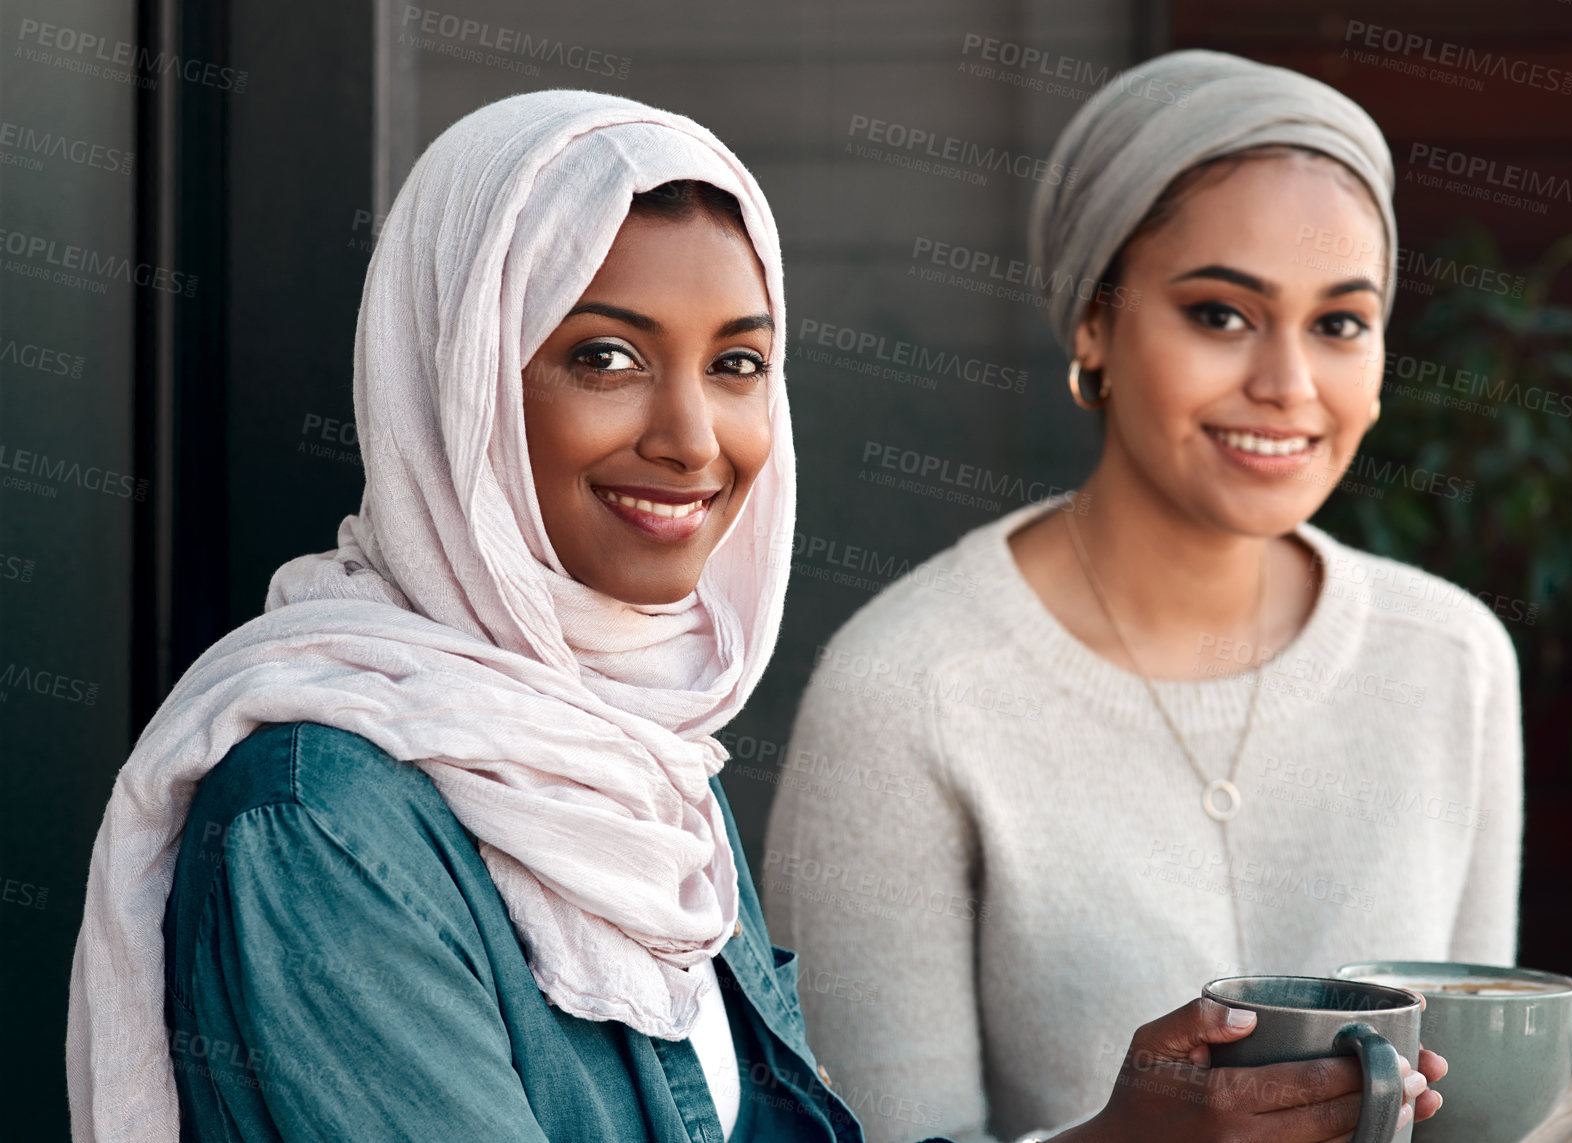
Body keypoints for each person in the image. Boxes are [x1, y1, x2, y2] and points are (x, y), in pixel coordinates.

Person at [65, 87, 1441, 1143]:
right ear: (461, 380)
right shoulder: (320, 823)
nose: (691, 434)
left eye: (736, 364)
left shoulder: (638, 752)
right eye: (603, 355)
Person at [765, 48, 1514, 1143]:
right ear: (1093, 326)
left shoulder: (1451, 657)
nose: (1289, 385)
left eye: (1340, 323)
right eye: (1220, 314)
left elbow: (1472, 1117)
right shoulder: (909, 690)